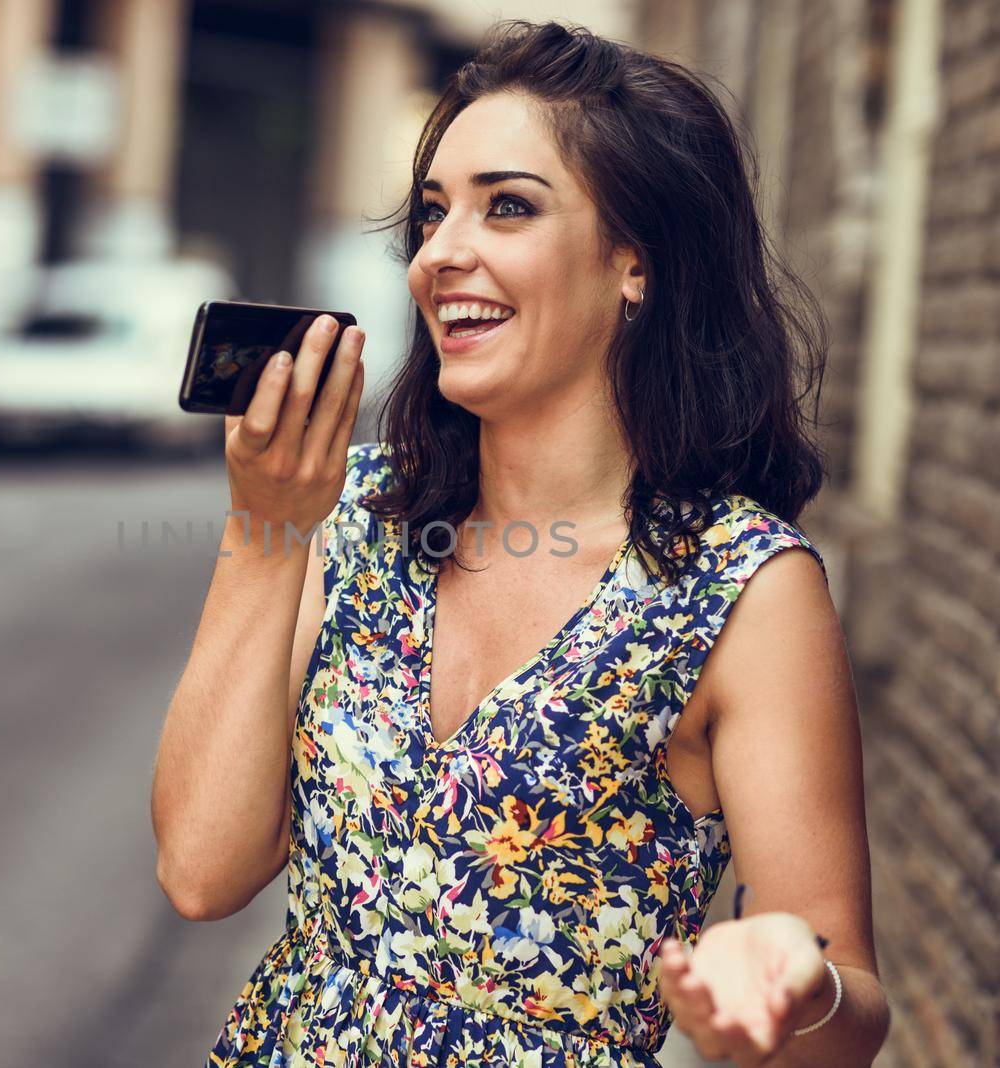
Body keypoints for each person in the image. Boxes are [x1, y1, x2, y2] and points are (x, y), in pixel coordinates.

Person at [153, 19, 890, 1068]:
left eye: (507, 207)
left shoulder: (736, 590)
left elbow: (848, 1013)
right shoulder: (358, 513)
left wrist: (792, 986)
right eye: (431, 212)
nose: (441, 253)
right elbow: (200, 870)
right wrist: (266, 524)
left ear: (634, 262)